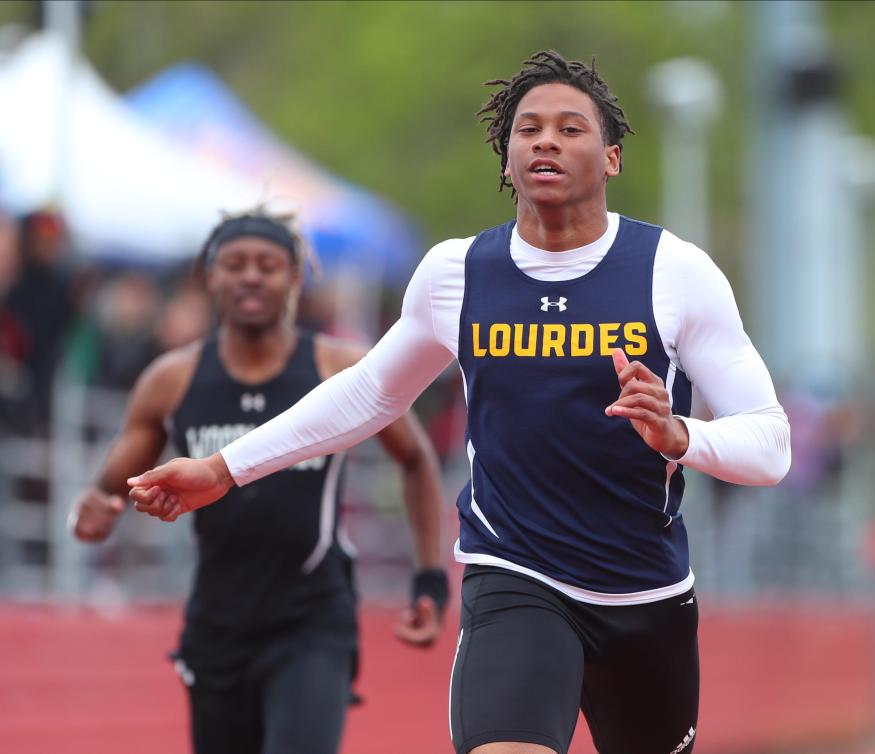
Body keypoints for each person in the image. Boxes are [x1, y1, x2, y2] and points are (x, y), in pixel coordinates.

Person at [129, 51, 791, 754]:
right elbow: (368, 393)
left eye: (570, 129)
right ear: (505, 160)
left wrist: (680, 434)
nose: (545, 141)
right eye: (528, 129)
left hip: (644, 597)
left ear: (612, 158)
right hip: (515, 576)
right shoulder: (456, 273)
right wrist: (224, 468)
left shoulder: (674, 272)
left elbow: (770, 445)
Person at [70, 208, 449, 754]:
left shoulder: (339, 369)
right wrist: (91, 510)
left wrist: (430, 577)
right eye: (235, 264)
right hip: (216, 625)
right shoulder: (171, 379)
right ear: (209, 278)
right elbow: (111, 487)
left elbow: (415, 458)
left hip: (313, 619)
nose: (251, 276)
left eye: (268, 265)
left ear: (294, 280)